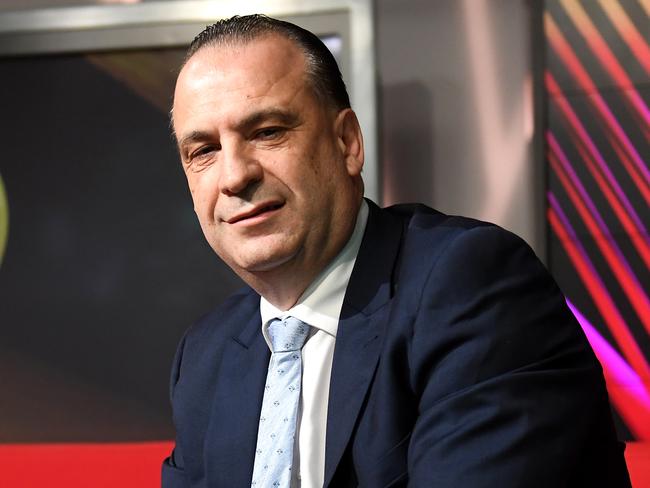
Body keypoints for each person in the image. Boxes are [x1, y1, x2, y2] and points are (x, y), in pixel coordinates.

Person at [162, 14, 630, 488]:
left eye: (267, 131)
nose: (234, 175)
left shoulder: (472, 287)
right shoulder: (205, 355)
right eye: (204, 151)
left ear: (347, 143)